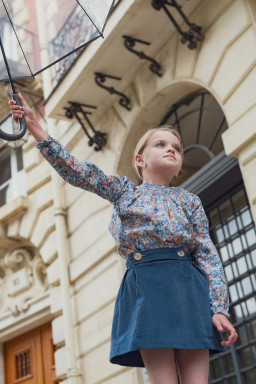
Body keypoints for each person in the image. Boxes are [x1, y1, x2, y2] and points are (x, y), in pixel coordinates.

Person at [9, 94, 238, 384]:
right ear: (139, 159)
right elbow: (79, 172)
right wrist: (34, 125)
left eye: (177, 148)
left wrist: (218, 308)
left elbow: (208, 254)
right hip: (146, 290)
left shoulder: (190, 200)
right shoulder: (124, 192)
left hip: (189, 290)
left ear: (180, 164)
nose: (171, 150)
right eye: (161, 144)